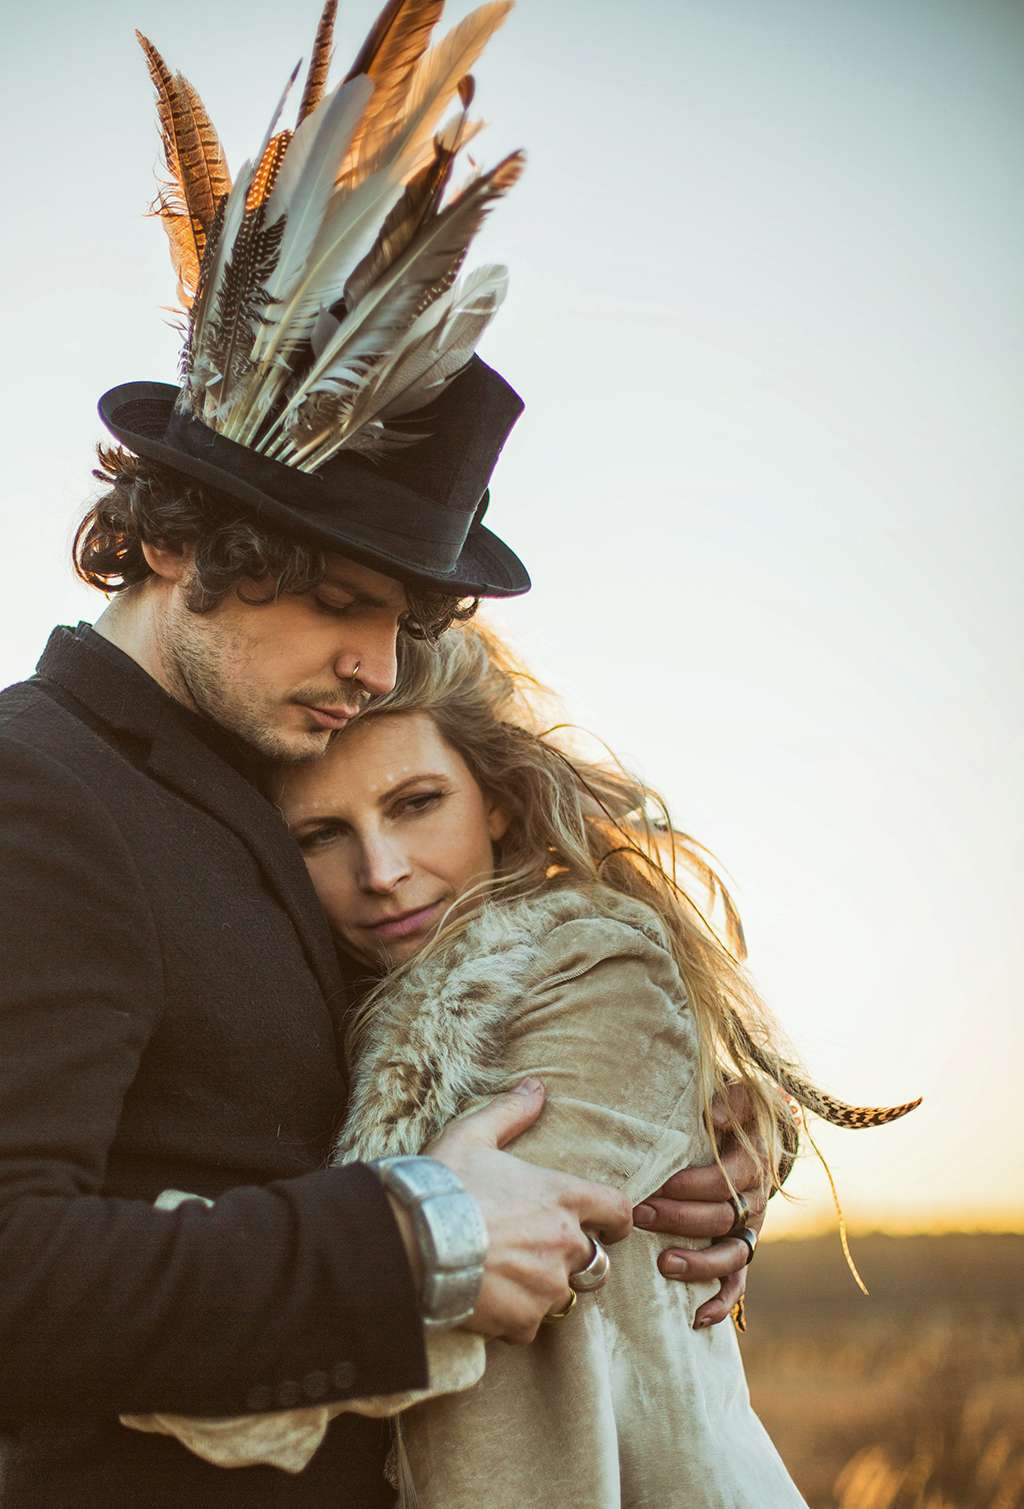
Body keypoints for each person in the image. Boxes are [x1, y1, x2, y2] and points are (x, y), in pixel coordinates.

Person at [0, 4, 772, 1505]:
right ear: (177, 541)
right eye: (341, 602)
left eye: (406, 621)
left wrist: (698, 1156)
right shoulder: (41, 792)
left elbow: (454, 1036)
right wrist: (416, 1236)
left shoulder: (266, 781)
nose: (381, 668)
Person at [129, 623, 919, 1503]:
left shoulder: (601, 969)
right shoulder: (337, 1004)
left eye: (417, 803)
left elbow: (449, 1287)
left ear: (496, 801)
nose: (381, 869)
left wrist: (115, 1310)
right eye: (320, 834)